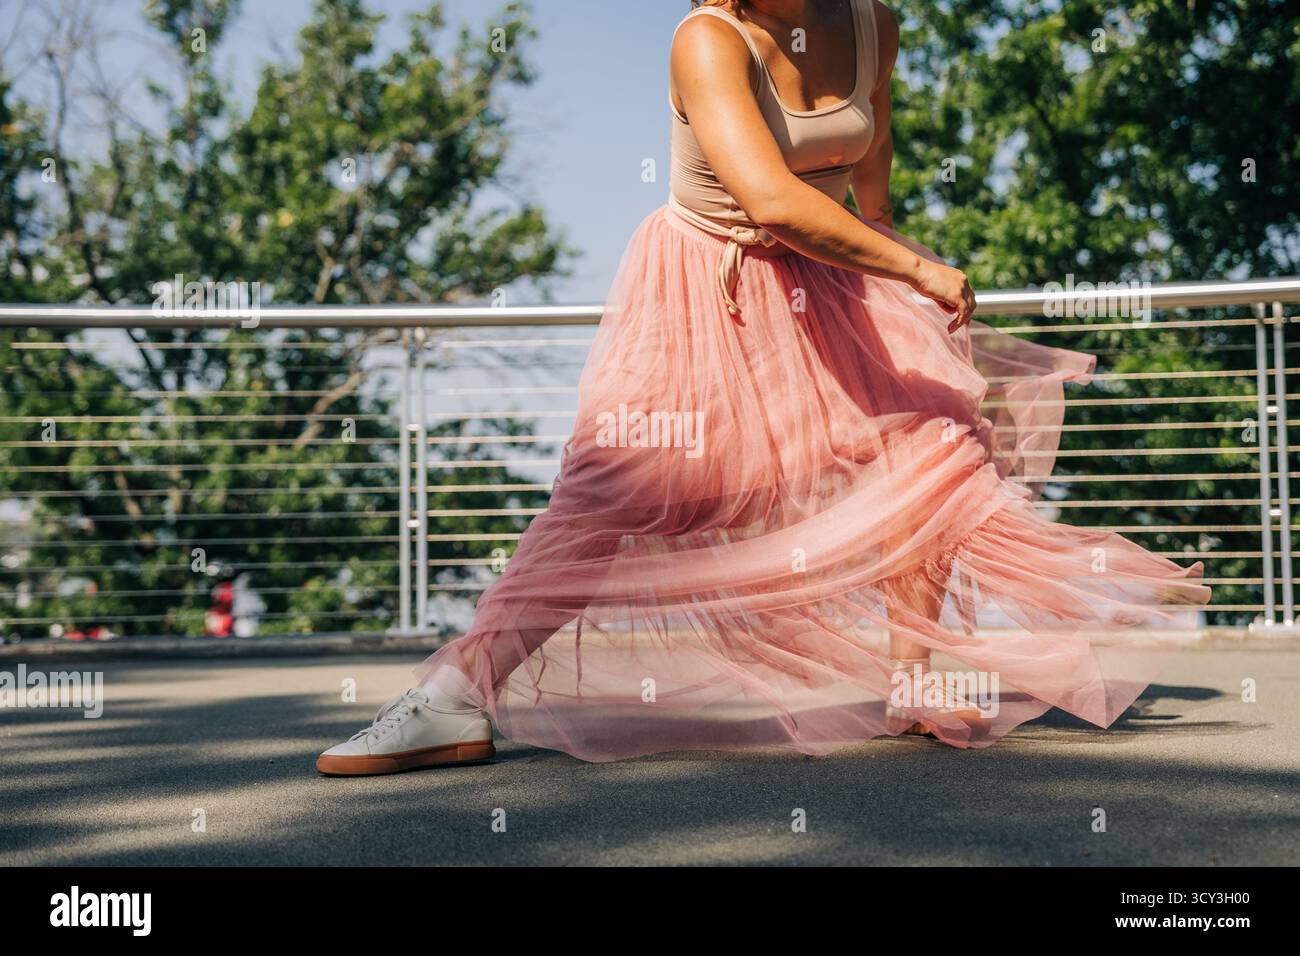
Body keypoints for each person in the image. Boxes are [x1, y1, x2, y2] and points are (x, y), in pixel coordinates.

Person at [317, 0, 1209, 776]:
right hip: (707, 283)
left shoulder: (871, 24)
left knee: (930, 437)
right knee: (624, 488)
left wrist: (896, 291)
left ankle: (914, 676)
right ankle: (452, 696)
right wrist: (919, 271)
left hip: (825, 273)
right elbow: (772, 199)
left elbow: (870, 179)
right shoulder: (707, 40)